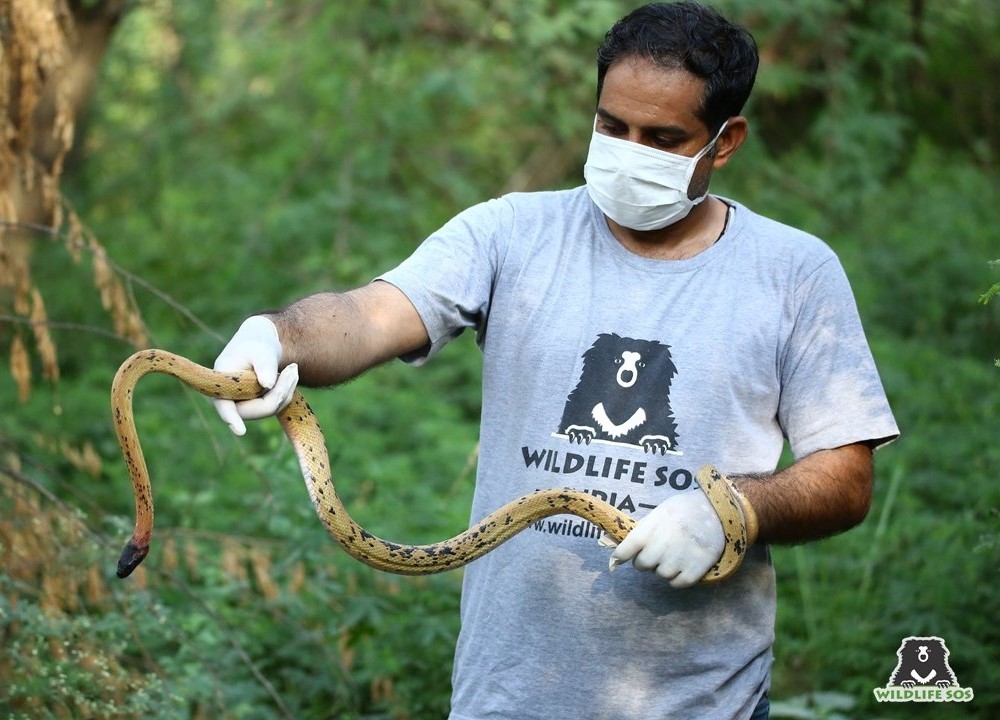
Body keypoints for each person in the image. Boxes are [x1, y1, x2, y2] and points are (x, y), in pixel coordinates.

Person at [212, 3, 899, 718]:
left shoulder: (794, 273)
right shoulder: (511, 232)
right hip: (505, 697)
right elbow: (370, 314)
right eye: (612, 126)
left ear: (725, 142)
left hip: (703, 703)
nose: (629, 150)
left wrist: (734, 511)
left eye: (663, 139)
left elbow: (847, 478)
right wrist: (278, 334)